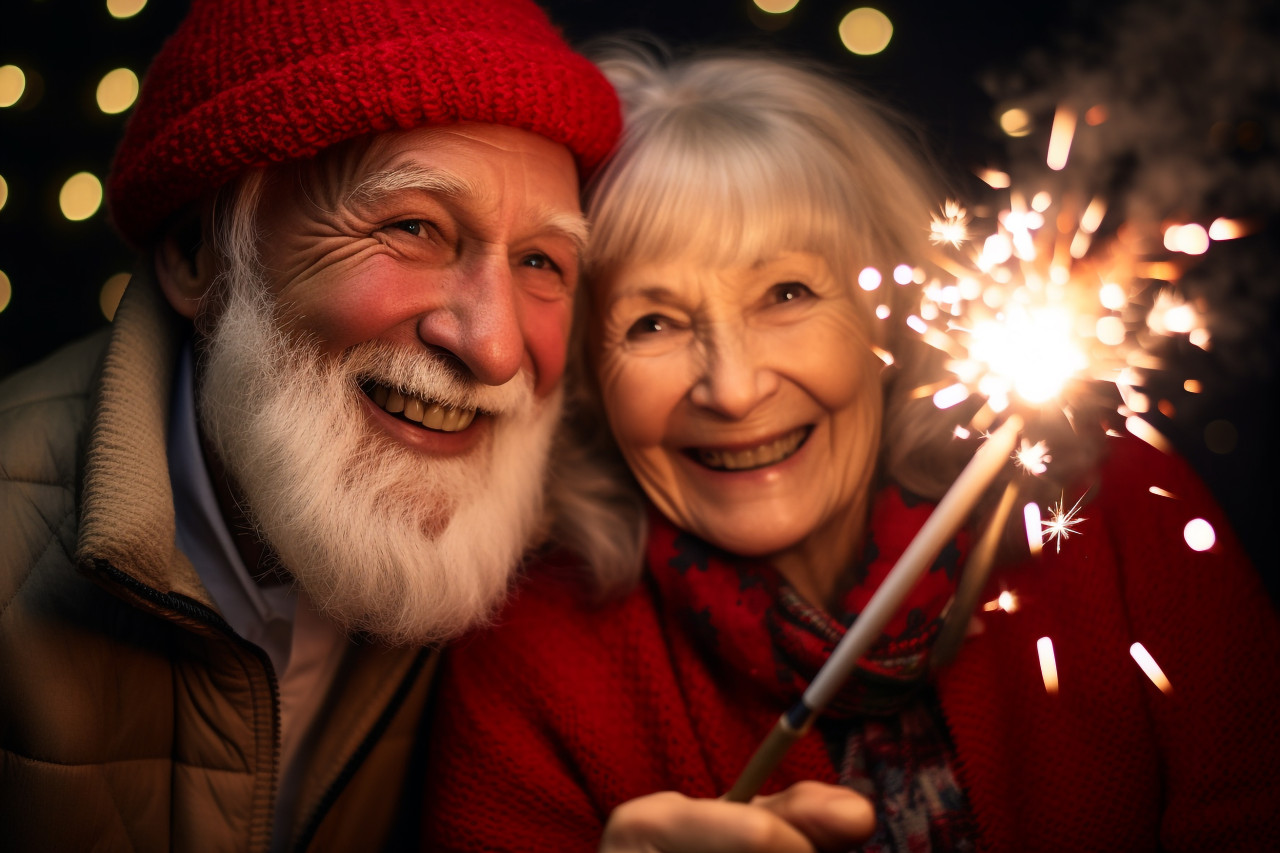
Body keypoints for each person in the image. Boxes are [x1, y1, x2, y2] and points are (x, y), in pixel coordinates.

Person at [421, 44, 1280, 851]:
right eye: (652, 322)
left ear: (888, 316)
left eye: (786, 292)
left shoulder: (1116, 506)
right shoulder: (526, 657)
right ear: (582, 375)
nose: (733, 387)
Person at [0, 0, 622, 849]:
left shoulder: (562, 572)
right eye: (413, 227)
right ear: (200, 255)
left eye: (542, 262)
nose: (497, 346)